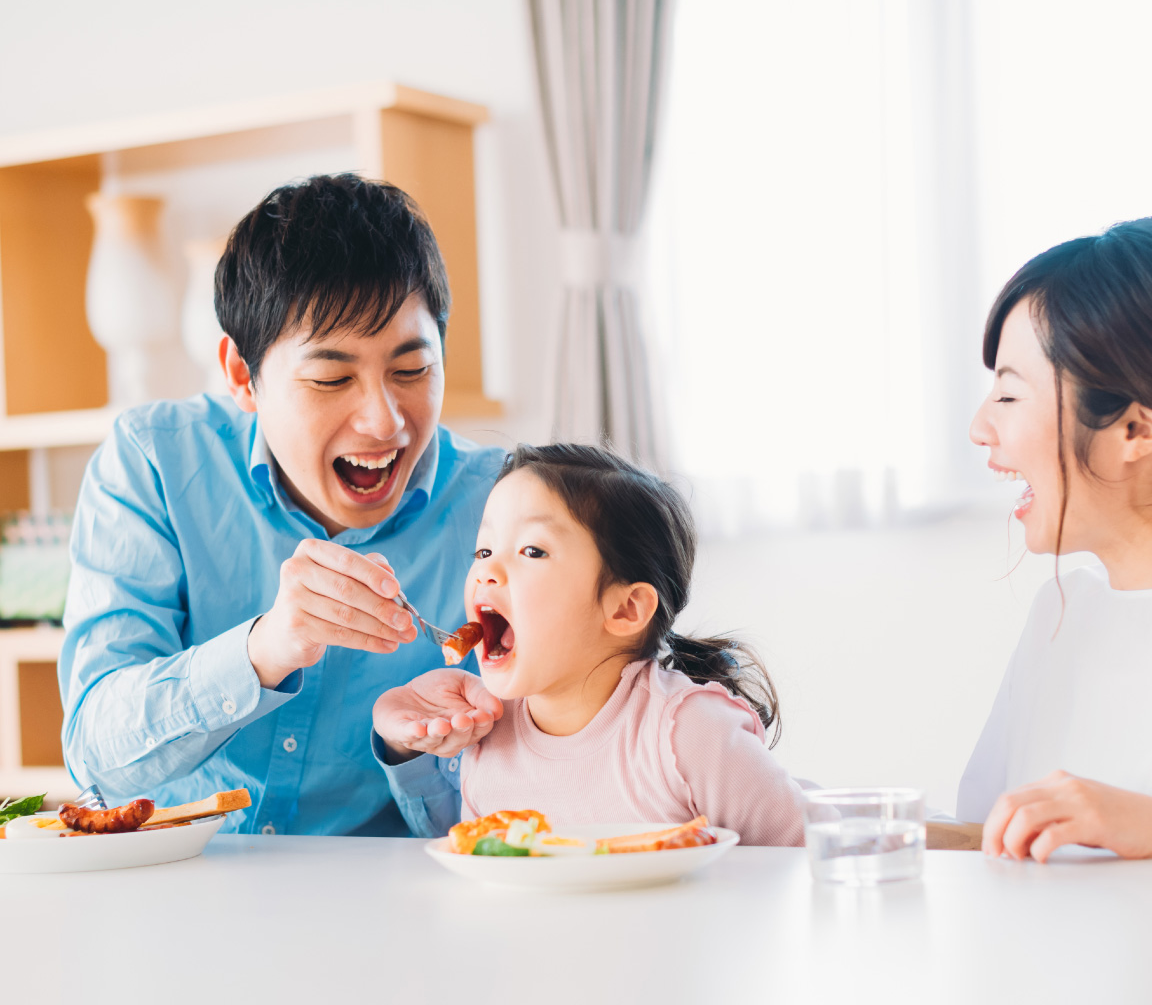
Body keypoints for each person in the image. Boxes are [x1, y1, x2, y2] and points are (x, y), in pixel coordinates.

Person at [58, 173, 505, 836]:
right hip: (185, 891)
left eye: (411, 370)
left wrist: (415, 750)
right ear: (243, 375)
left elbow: (535, 790)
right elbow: (97, 755)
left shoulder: (503, 504)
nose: (385, 423)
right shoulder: (153, 460)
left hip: (387, 908)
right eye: (332, 377)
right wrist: (265, 650)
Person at [372, 443, 805, 846]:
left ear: (626, 609)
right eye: (484, 551)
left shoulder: (688, 732)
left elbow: (802, 854)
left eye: (532, 551)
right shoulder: (488, 735)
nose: (487, 572)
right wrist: (405, 740)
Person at [961, 217, 1152, 861]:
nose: (980, 428)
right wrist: (773, 814)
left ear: (1133, 430)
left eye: (1009, 396)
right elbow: (989, 833)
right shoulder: (1059, 614)